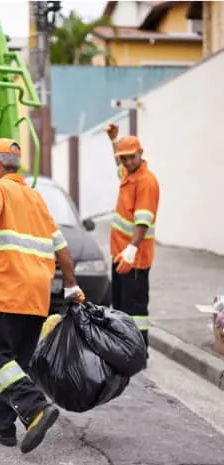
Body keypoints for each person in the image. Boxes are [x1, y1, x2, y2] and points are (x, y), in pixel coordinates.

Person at [0, 138, 85, 454]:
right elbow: (61, 247)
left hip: (7, 287)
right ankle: (2, 427)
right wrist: (71, 285)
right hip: (37, 294)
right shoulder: (37, 199)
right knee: (16, 363)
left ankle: (35, 407)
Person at [105, 124, 160, 351]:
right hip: (121, 255)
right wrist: (114, 140)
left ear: (141, 154)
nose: (127, 162)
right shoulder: (129, 174)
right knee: (120, 306)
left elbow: (143, 222)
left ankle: (138, 350)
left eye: (131, 157)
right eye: (124, 158)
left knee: (135, 309)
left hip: (134, 258)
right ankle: (124, 348)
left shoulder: (145, 181)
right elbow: (119, 164)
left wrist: (131, 250)